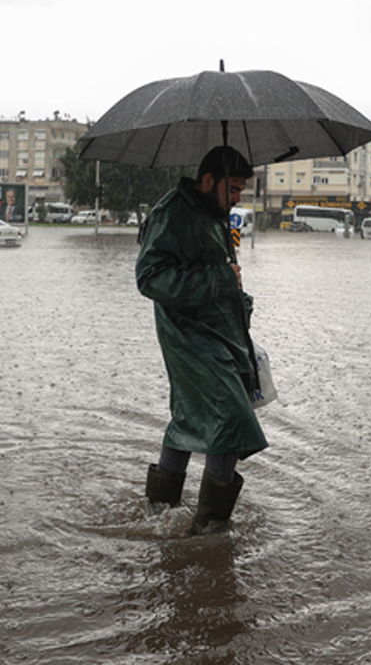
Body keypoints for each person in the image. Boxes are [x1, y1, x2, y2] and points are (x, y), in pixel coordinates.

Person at [135, 145, 267, 535]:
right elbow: (150, 278)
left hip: (219, 334)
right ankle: (210, 531)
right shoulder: (172, 213)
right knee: (229, 419)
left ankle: (158, 515)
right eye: (235, 188)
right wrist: (222, 280)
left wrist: (237, 297)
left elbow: (215, 269)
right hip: (188, 337)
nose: (239, 197)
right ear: (208, 181)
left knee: (189, 416)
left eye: (243, 189)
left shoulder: (215, 214)